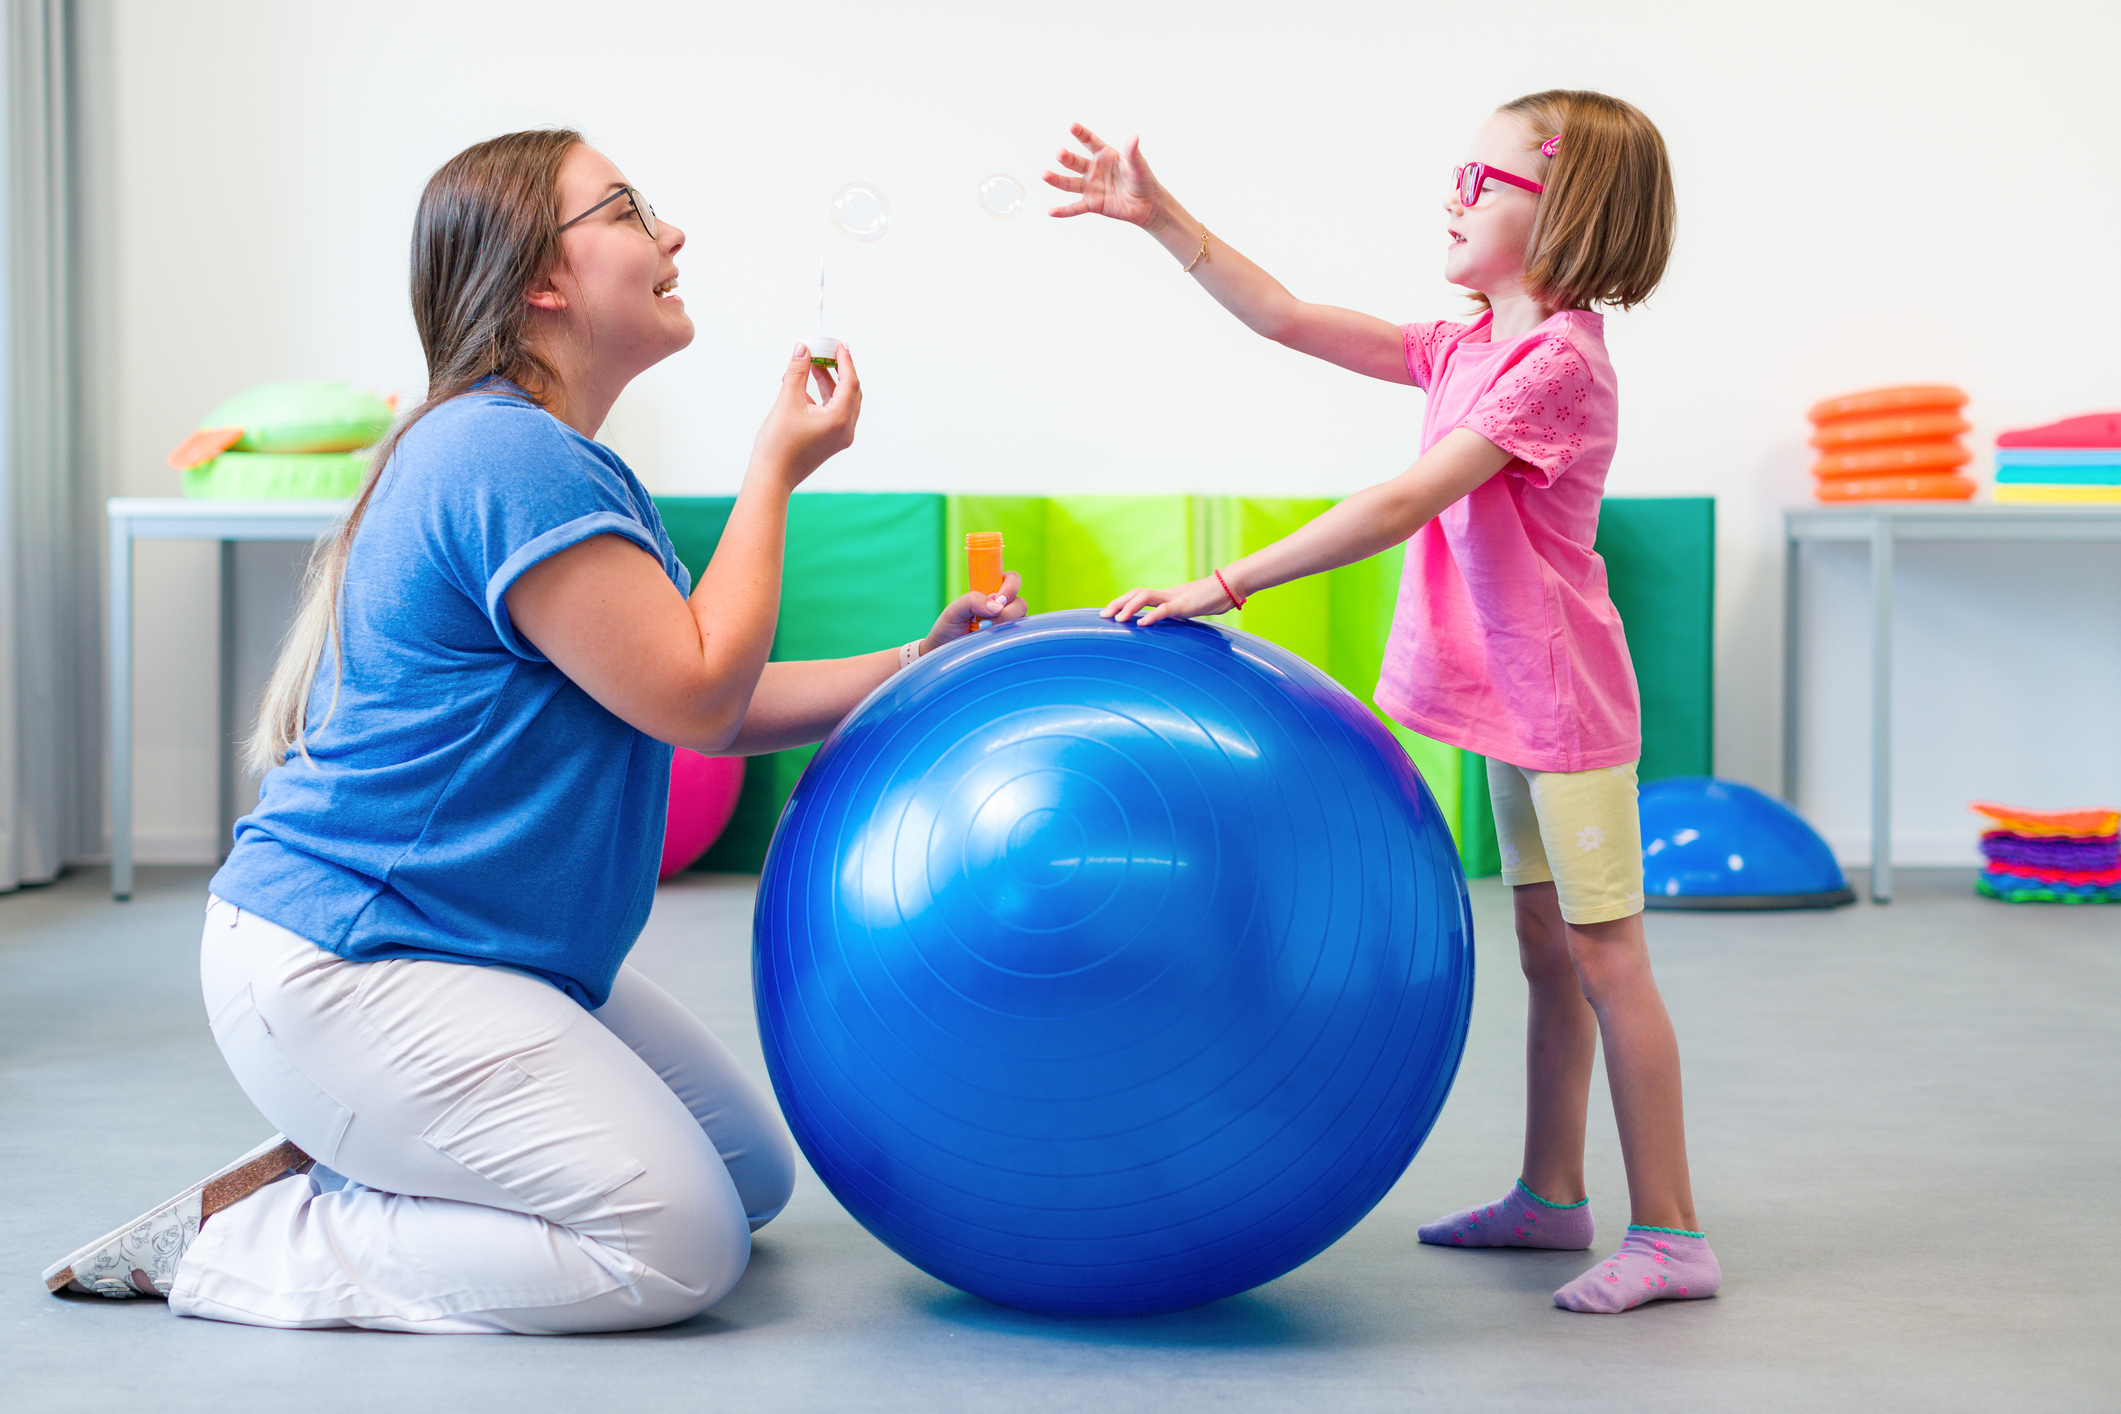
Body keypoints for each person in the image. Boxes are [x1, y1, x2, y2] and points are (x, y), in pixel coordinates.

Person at [43, 128, 1024, 1334]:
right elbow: (702, 695)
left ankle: (370, 1144)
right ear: (542, 280)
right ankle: (249, 1243)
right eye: (628, 209)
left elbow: (702, 706)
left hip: (477, 958)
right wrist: (774, 470)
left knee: (747, 1179)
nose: (673, 236)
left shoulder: (550, 460)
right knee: (678, 1245)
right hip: (356, 966)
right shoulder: (505, 455)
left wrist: (922, 658)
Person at [1050, 90, 1715, 1313]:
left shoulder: (1557, 366)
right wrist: (1159, 218)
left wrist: (1227, 580)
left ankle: (1672, 1234)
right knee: (1544, 952)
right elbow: (1291, 319)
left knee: (1608, 957)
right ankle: (1553, 1195)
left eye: (1485, 180)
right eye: (1457, 174)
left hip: (1563, 710)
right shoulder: (1469, 344)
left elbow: (1408, 500)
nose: (1453, 196)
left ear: (1563, 209)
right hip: (1512, 704)